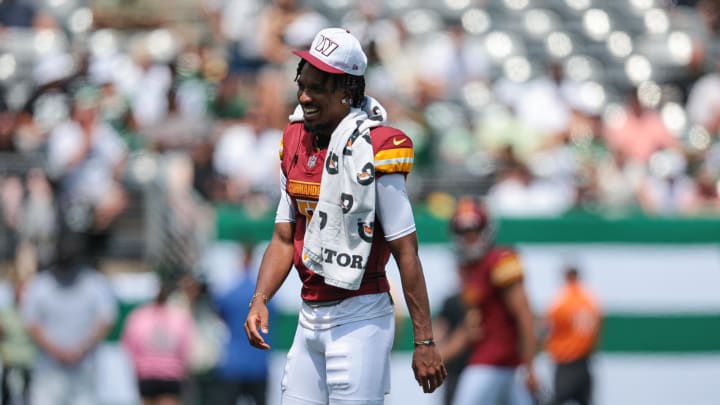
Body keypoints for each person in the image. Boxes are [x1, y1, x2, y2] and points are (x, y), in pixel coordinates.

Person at [244, 27, 447, 404]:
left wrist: (425, 340)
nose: (304, 96)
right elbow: (284, 237)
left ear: (346, 91)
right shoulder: (294, 139)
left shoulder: (377, 147)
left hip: (360, 317)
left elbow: (406, 251)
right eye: (302, 85)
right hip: (309, 315)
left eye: (316, 87)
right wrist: (261, 298)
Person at [442, 196, 538, 405]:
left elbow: (525, 315)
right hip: (499, 363)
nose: (470, 238)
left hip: (495, 362)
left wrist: (530, 367)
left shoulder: (500, 261)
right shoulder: (470, 269)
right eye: (464, 232)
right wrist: (440, 356)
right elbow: (471, 327)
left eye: (474, 231)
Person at [21, 231, 117, 405]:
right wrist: (56, 351)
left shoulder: (94, 283)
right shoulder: (41, 284)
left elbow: (106, 320)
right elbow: (31, 323)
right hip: (48, 371)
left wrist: (81, 349)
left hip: (84, 369)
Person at [212, 241, 273, 405]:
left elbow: (218, 311)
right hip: (259, 364)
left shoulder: (230, 294)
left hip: (233, 365)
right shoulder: (266, 297)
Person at [121, 279, 195, 405]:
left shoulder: (139, 316)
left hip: (146, 374)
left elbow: (128, 345)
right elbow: (186, 347)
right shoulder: (180, 316)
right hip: (172, 374)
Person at [544, 266, 602, 405]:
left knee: (557, 400)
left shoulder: (562, 301)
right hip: (584, 361)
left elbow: (549, 328)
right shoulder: (589, 300)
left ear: (566, 277)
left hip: (566, 361)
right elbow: (597, 329)